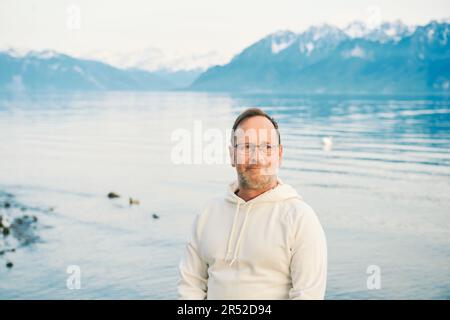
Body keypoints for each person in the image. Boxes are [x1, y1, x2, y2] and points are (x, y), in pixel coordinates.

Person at [177, 107, 327, 299]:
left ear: (279, 155)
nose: (257, 157)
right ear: (232, 155)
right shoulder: (208, 213)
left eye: (266, 147)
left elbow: (307, 295)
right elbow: (190, 287)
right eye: (246, 147)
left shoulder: (300, 218)